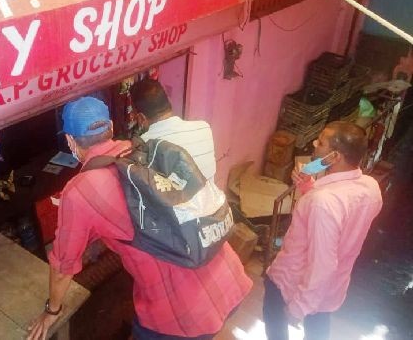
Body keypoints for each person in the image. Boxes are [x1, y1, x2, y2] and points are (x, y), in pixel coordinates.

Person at [28, 96, 252, 340]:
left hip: (179, 315)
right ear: (111, 127)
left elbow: (63, 267)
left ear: (70, 141)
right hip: (228, 275)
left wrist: (52, 311)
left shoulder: (78, 190)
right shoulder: (147, 147)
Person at [263, 121, 383, 340]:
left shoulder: (323, 202)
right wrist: (308, 188)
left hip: (293, 281)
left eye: (321, 142)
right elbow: (343, 221)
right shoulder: (370, 186)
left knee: (275, 324)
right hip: (332, 287)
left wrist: (298, 308)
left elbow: (323, 263)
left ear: (335, 157)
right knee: (318, 328)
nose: (314, 144)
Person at [129, 79, 218, 188]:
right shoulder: (204, 127)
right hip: (214, 201)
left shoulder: (145, 145)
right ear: (169, 103)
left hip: (183, 204)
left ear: (141, 118)